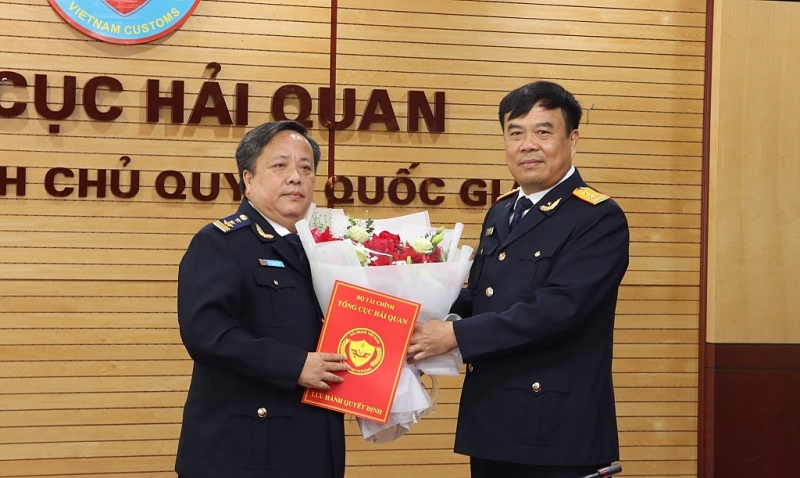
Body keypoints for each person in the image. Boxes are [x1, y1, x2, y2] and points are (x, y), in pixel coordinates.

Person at [408, 81, 630, 478]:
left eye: (543, 132)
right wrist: (409, 313)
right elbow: (481, 297)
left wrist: (453, 336)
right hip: (493, 421)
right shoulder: (502, 212)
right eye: (516, 133)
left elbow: (557, 310)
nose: (528, 144)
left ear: (572, 140)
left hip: (557, 429)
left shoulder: (598, 217)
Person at [175, 120, 349, 478]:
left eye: (306, 167)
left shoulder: (326, 251)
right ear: (248, 179)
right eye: (280, 165)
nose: (295, 177)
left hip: (313, 445)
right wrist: (295, 365)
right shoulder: (220, 243)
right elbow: (207, 334)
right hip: (242, 452)